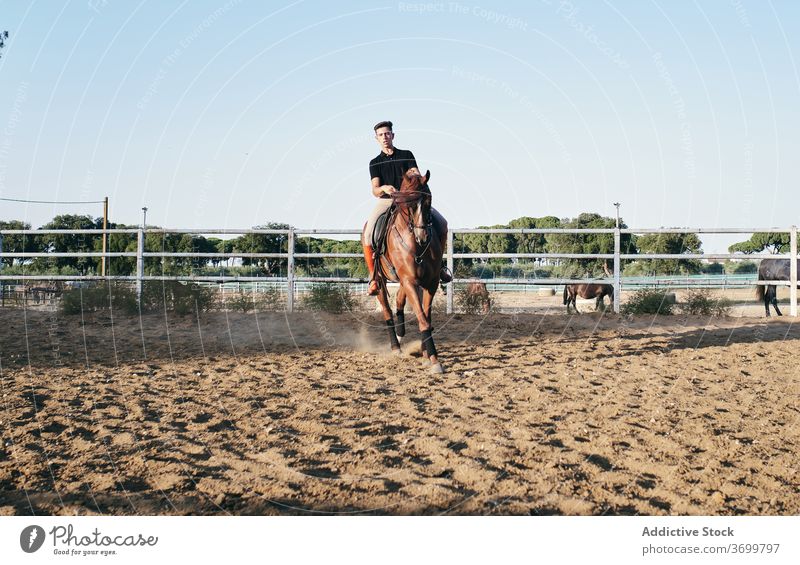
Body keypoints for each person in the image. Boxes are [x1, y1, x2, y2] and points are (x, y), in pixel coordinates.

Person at [363, 120, 451, 295]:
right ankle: (374, 277)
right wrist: (383, 189)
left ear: (393, 135)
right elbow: (374, 189)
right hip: (387, 200)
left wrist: (415, 177)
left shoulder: (406, 154)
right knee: (368, 232)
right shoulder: (375, 162)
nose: (385, 137)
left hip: (410, 200)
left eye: (387, 133)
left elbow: (415, 173)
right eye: (381, 135)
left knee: (442, 223)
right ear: (376, 138)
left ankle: (440, 267)